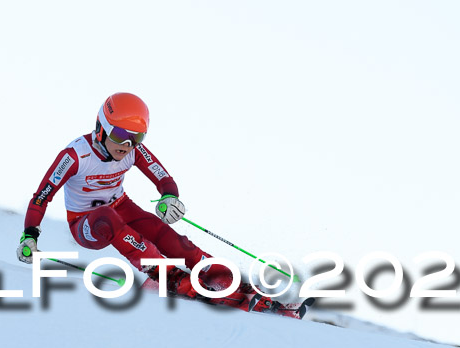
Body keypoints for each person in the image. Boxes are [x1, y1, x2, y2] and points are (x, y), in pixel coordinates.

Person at [17, 92, 277, 312]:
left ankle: (230, 281)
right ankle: (167, 277)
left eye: (136, 138)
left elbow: (163, 178)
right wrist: (29, 236)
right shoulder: (75, 155)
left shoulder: (133, 151)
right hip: (87, 223)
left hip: (121, 207)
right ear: (101, 128)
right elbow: (41, 197)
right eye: (119, 135)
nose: (127, 145)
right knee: (108, 219)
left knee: (168, 237)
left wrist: (169, 198)